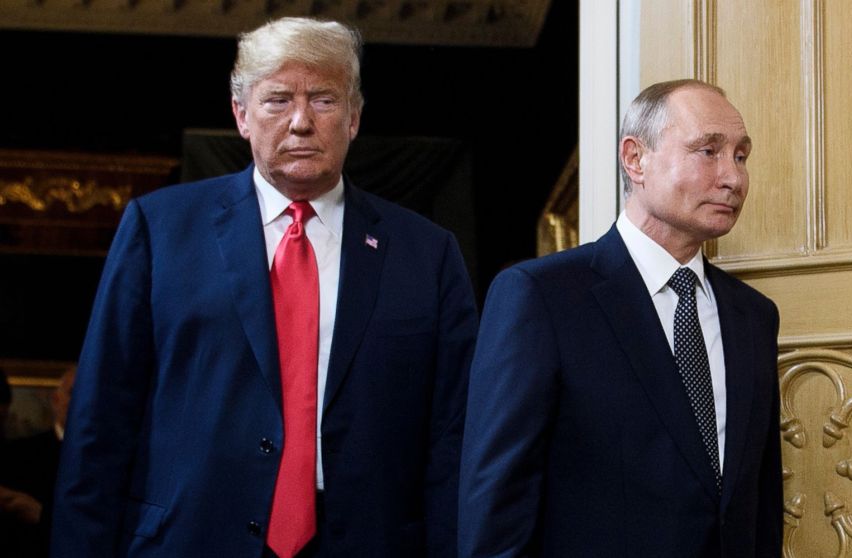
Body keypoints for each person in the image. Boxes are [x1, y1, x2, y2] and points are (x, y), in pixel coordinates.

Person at [52, 17, 478, 558]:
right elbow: (100, 422)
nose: (301, 122)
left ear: (354, 118)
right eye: (278, 100)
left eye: (323, 99)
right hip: (189, 539)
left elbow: (454, 439)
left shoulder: (428, 254)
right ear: (241, 115)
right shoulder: (160, 231)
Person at [459, 79, 783, 557]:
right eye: (708, 151)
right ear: (635, 159)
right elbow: (496, 506)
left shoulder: (754, 316)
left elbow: (758, 503)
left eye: (740, 156)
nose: (733, 178)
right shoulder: (541, 298)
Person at [0, 366, 75, 557]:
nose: (83, 402)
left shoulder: (112, 460)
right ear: (56, 400)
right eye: (74, 393)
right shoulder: (17, 454)